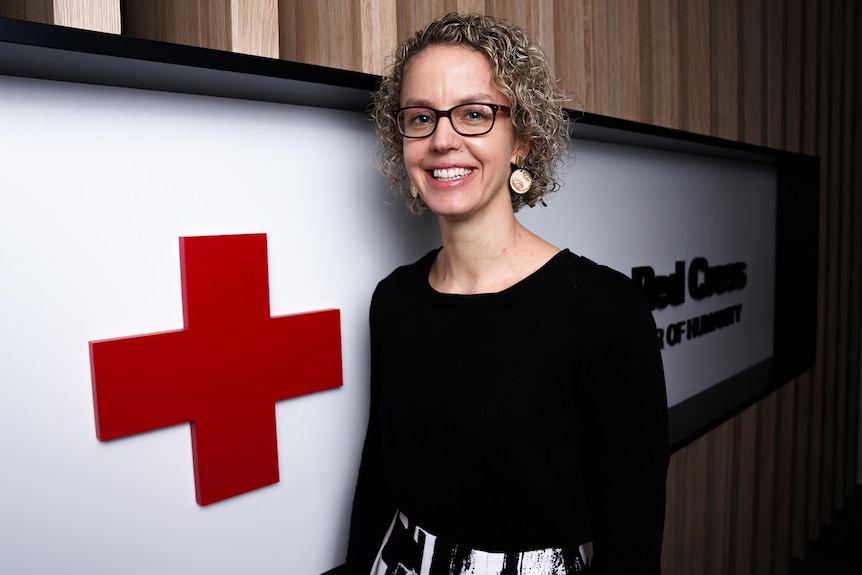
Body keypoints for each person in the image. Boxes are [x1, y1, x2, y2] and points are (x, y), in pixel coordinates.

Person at [346, 12, 669, 575]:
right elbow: (377, 478)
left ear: (520, 139)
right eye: (421, 118)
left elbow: (631, 540)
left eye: (474, 114)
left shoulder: (603, 310)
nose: (443, 139)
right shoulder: (393, 301)